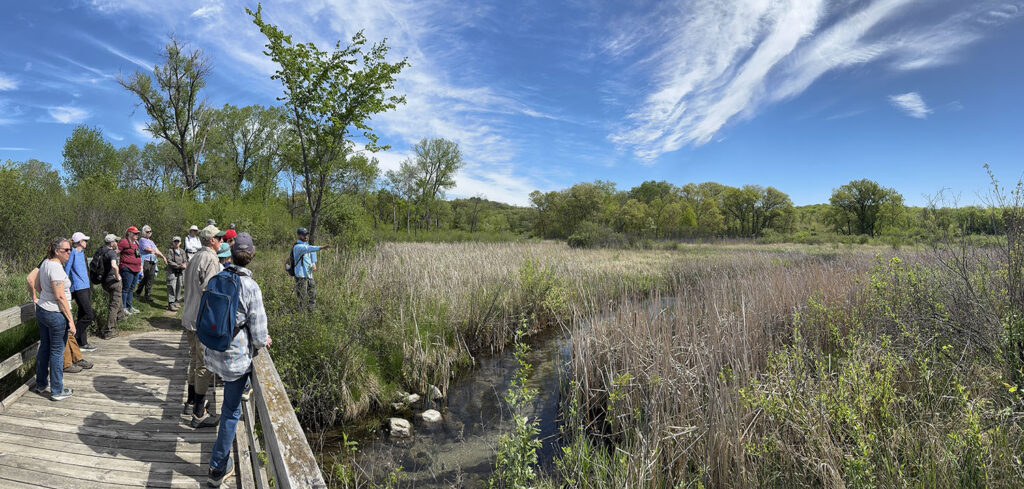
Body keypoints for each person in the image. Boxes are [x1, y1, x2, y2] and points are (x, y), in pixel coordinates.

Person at [204, 232, 271, 486]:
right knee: (230, 412)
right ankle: (217, 468)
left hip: (213, 353)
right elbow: (259, 334)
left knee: (231, 398)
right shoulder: (251, 287)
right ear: (251, 256)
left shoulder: (217, 278)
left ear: (230, 255)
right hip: (234, 361)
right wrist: (264, 341)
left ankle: (243, 389)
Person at [182, 224, 225, 428]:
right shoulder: (210, 258)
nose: (222, 241)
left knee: (194, 359)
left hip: (189, 316)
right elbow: (211, 290)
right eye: (219, 238)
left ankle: (191, 402)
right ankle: (199, 413)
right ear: (211, 241)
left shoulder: (195, 257)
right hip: (200, 320)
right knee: (204, 365)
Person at [29, 238, 75, 400]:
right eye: (66, 250)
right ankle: (57, 390)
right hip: (56, 314)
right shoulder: (55, 268)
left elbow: (36, 283)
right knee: (57, 352)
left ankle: (41, 384)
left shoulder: (45, 263)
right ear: (57, 251)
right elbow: (60, 297)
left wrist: (41, 296)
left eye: (70, 249)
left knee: (45, 348)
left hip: (43, 310)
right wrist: (70, 320)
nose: (69, 252)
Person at [63, 232, 97, 352]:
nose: (86, 242)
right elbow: (66, 270)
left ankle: (83, 342)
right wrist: (64, 286)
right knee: (89, 315)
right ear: (78, 242)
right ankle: (72, 336)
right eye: (84, 240)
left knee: (83, 314)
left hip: (85, 286)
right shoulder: (72, 253)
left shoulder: (81, 253)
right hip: (78, 288)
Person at [291, 227, 332, 311]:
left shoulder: (307, 245)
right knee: (302, 299)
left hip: (309, 275)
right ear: (298, 235)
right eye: (303, 235)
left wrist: (313, 263)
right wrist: (322, 247)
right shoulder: (297, 247)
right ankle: (301, 318)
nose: (305, 236)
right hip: (301, 276)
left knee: (312, 296)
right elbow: (309, 249)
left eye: (306, 234)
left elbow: (311, 253)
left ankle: (310, 316)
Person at [94, 233, 123, 339]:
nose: (117, 243)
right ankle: (108, 331)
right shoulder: (112, 253)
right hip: (113, 282)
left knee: (117, 300)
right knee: (114, 305)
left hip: (104, 282)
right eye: (116, 241)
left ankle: (120, 318)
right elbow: (114, 266)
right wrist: (117, 276)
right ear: (111, 243)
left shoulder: (100, 250)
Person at [136, 225, 167, 303]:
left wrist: (163, 257)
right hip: (145, 261)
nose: (149, 233)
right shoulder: (142, 240)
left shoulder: (151, 241)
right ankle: (138, 293)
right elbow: (148, 249)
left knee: (151, 278)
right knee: (144, 278)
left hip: (152, 261)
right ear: (143, 232)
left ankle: (147, 295)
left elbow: (156, 250)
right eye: (147, 232)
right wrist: (154, 251)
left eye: (150, 231)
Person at [118, 226, 143, 314]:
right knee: (125, 288)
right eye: (135, 233)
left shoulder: (136, 243)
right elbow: (116, 251)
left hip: (136, 269)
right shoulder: (124, 242)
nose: (137, 235)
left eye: (137, 233)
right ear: (129, 233)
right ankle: (123, 307)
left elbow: (139, 255)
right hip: (127, 268)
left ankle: (129, 306)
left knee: (132, 288)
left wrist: (141, 268)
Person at [166, 236, 187, 311]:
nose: (176, 243)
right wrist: (179, 266)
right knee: (172, 286)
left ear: (180, 243)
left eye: (178, 241)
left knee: (179, 286)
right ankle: (171, 303)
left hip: (180, 272)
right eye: (175, 241)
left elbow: (185, 260)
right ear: (173, 242)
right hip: (172, 271)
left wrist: (184, 265)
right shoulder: (170, 251)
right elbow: (169, 261)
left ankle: (177, 301)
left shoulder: (182, 251)